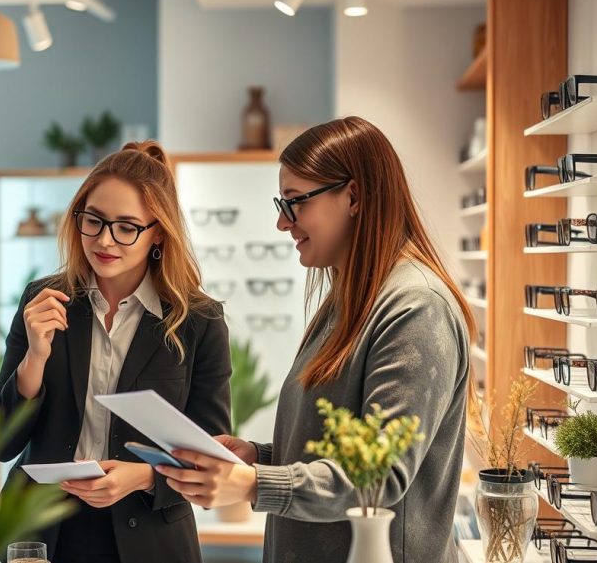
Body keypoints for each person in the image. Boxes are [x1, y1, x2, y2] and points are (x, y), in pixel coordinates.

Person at [156, 117, 476, 563]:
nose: (282, 223)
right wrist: (257, 458)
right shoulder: (348, 298)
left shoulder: (416, 308)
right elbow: (334, 444)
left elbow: (376, 476)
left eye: (295, 202)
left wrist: (253, 483)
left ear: (354, 196)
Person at [0, 141, 232, 563]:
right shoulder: (44, 300)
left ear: (157, 232)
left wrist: (144, 477)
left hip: (148, 537)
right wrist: (35, 359)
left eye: (126, 227)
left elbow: (211, 457)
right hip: (41, 530)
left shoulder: (198, 320)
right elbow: (0, 443)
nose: (104, 240)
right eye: (93, 221)